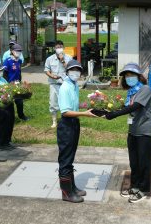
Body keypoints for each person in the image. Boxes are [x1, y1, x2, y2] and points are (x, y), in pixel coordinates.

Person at [105, 62, 151, 203]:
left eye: (131, 75)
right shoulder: (132, 91)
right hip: (133, 131)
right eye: (126, 75)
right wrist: (106, 109)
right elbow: (126, 106)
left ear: (138, 76)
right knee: (134, 162)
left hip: (146, 132)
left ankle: (144, 189)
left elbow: (135, 106)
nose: (129, 77)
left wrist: (115, 114)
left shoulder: (145, 89)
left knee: (143, 162)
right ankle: (135, 186)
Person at [57, 59, 96, 203]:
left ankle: (72, 187)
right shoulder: (65, 87)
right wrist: (85, 114)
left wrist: (91, 103)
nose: (76, 72)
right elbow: (65, 112)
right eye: (72, 70)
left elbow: (74, 105)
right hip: (66, 125)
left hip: (74, 123)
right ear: (67, 72)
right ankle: (66, 193)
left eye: (78, 70)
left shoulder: (74, 85)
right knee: (65, 159)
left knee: (70, 156)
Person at [44, 40, 72, 128]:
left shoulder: (69, 58)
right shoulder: (50, 59)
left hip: (65, 84)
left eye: (60, 47)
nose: (59, 49)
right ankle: (54, 121)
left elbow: (70, 70)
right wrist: (52, 76)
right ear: (54, 49)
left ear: (63, 47)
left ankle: (65, 120)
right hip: (54, 84)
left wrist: (62, 60)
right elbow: (46, 70)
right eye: (57, 47)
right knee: (53, 103)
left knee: (66, 102)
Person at [0, 63, 16, 151]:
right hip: (1, 105)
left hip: (8, 103)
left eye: (1, 70)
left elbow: (8, 88)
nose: (1, 72)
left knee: (10, 122)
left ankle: (7, 141)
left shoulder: (2, 78)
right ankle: (1, 143)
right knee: (3, 124)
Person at [3, 44, 29, 121]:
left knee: (19, 101)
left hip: (17, 84)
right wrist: (7, 85)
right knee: (9, 102)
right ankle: (9, 118)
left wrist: (20, 83)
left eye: (20, 51)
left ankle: (21, 116)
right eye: (17, 51)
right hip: (9, 84)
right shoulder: (7, 61)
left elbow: (19, 72)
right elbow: (4, 74)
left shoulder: (19, 61)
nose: (18, 52)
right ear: (12, 51)